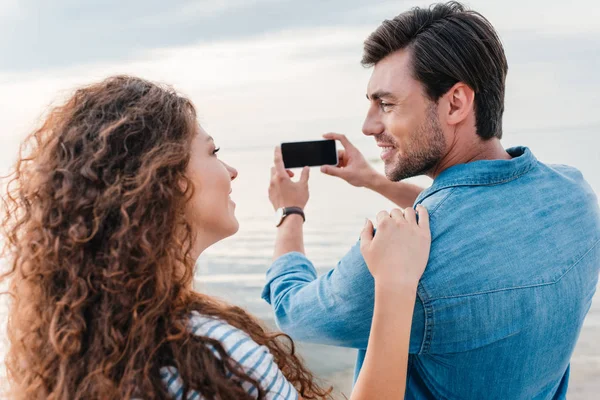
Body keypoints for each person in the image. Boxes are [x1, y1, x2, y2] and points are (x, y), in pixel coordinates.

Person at [0, 75, 431, 400]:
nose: (231, 171)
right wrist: (395, 284)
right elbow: (298, 312)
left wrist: (358, 187)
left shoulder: (93, 340)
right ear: (161, 179)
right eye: (213, 153)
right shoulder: (209, 354)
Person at [263, 2, 600, 399]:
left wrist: (291, 212)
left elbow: (296, 314)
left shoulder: (407, 258)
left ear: (455, 103)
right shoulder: (575, 194)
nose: (368, 125)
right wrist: (373, 180)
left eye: (386, 104)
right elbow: (474, 209)